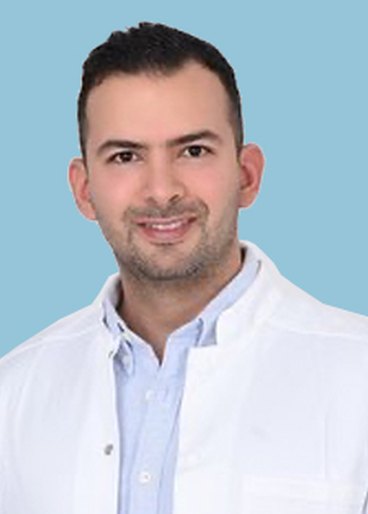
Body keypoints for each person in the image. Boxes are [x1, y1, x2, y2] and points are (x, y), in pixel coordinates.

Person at [1, 22, 368, 514]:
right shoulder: (14, 394)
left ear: (247, 175)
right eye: (125, 156)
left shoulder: (357, 376)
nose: (161, 190)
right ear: (84, 189)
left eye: (193, 151)